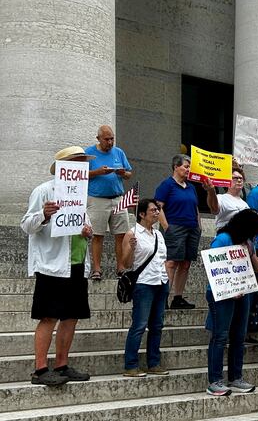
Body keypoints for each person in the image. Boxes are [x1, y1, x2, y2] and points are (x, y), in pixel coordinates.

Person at [22, 146, 95, 386]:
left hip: (75, 263)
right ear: (66, 166)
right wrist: (43, 214)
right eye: (80, 162)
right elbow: (27, 225)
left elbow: (84, 225)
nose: (84, 167)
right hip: (52, 265)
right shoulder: (44, 190)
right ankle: (40, 369)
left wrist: (87, 231)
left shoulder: (80, 194)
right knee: (49, 316)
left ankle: (62, 364)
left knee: (71, 317)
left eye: (85, 163)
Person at [205, 209, 258, 396]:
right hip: (222, 294)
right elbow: (212, 265)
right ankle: (214, 380)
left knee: (239, 336)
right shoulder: (223, 239)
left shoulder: (248, 242)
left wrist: (251, 253)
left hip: (243, 292)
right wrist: (229, 288)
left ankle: (235, 376)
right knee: (220, 336)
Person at [120, 198, 169, 377]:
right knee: (139, 324)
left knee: (157, 324)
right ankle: (131, 365)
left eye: (157, 209)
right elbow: (125, 263)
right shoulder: (132, 233)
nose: (157, 212)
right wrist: (131, 249)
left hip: (160, 281)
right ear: (142, 214)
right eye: (153, 210)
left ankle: (153, 362)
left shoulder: (158, 234)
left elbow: (163, 258)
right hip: (143, 283)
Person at [85, 125, 133, 280]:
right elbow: (81, 174)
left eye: (112, 138)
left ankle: (121, 267)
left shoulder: (119, 152)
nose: (110, 142)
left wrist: (122, 173)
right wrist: (98, 172)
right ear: (98, 139)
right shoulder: (89, 153)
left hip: (118, 198)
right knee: (97, 235)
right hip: (97, 199)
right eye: (107, 139)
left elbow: (129, 174)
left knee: (121, 234)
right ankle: (97, 269)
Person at [154, 154, 201, 309]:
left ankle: (178, 297)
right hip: (175, 227)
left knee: (186, 263)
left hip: (192, 228)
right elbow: (158, 206)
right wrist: (166, 226)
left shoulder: (191, 187)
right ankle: (163, 298)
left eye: (189, 167)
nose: (188, 170)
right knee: (172, 262)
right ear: (176, 166)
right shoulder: (167, 185)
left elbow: (195, 207)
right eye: (186, 167)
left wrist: (199, 225)